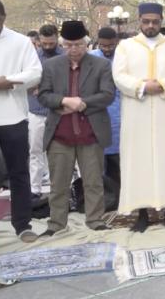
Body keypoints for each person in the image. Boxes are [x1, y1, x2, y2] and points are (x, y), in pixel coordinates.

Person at [113, 3, 165, 231]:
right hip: (137, 114)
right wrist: (142, 86)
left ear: (161, 20)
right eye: (146, 21)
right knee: (138, 162)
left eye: (155, 21)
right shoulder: (126, 47)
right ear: (139, 21)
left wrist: (162, 85)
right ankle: (142, 215)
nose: (150, 25)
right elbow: (119, 76)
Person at [38, 21, 114, 236]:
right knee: (58, 183)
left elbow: (108, 95)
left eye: (78, 45)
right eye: (69, 45)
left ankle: (95, 219)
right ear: (63, 44)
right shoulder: (51, 66)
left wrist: (82, 103)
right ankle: (56, 223)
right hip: (60, 134)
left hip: (91, 133)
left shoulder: (101, 66)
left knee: (93, 181)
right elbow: (43, 95)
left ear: (87, 44)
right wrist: (63, 100)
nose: (73, 49)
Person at [0, 0, 42, 242]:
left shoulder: (20, 41)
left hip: (13, 117)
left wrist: (7, 81)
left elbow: (35, 73)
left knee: (18, 173)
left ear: (4, 16)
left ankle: (22, 224)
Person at [27, 24, 64, 205]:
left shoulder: (65, 56)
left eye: (51, 43)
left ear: (57, 38)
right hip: (37, 111)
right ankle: (34, 189)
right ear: (39, 40)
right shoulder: (31, 57)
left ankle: (61, 188)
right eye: (44, 43)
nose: (48, 46)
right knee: (35, 150)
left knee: (61, 152)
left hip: (59, 111)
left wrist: (43, 88)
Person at [90, 27, 121, 212]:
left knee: (118, 164)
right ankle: (103, 202)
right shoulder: (92, 57)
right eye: (103, 45)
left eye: (110, 45)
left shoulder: (124, 55)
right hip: (98, 114)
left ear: (116, 41)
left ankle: (120, 199)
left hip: (121, 115)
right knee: (98, 163)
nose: (107, 49)